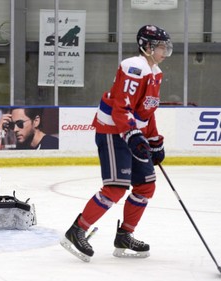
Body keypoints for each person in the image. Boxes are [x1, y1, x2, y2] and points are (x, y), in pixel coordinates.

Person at [61, 25, 172, 261]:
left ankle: (124, 235)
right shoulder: (133, 66)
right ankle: (77, 230)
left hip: (131, 132)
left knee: (145, 186)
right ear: (148, 46)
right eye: (161, 46)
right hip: (113, 131)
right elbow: (122, 105)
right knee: (116, 187)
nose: (165, 50)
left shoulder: (156, 72)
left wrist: (154, 140)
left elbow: (146, 112)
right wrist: (132, 134)